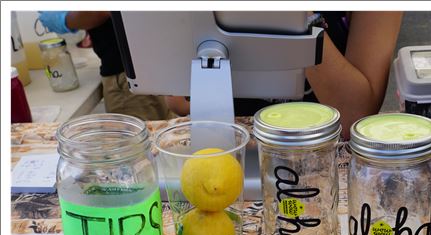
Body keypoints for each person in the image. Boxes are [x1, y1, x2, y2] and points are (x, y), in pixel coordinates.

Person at [166, 12, 403, 138]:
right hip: (226, 147)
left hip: (323, 156)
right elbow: (179, 101)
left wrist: (296, 17)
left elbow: (353, 117)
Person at [38, 11, 174, 121]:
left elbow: (102, 11)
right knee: (158, 134)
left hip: (127, 77)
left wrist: (65, 19)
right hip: (147, 65)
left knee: (135, 141)